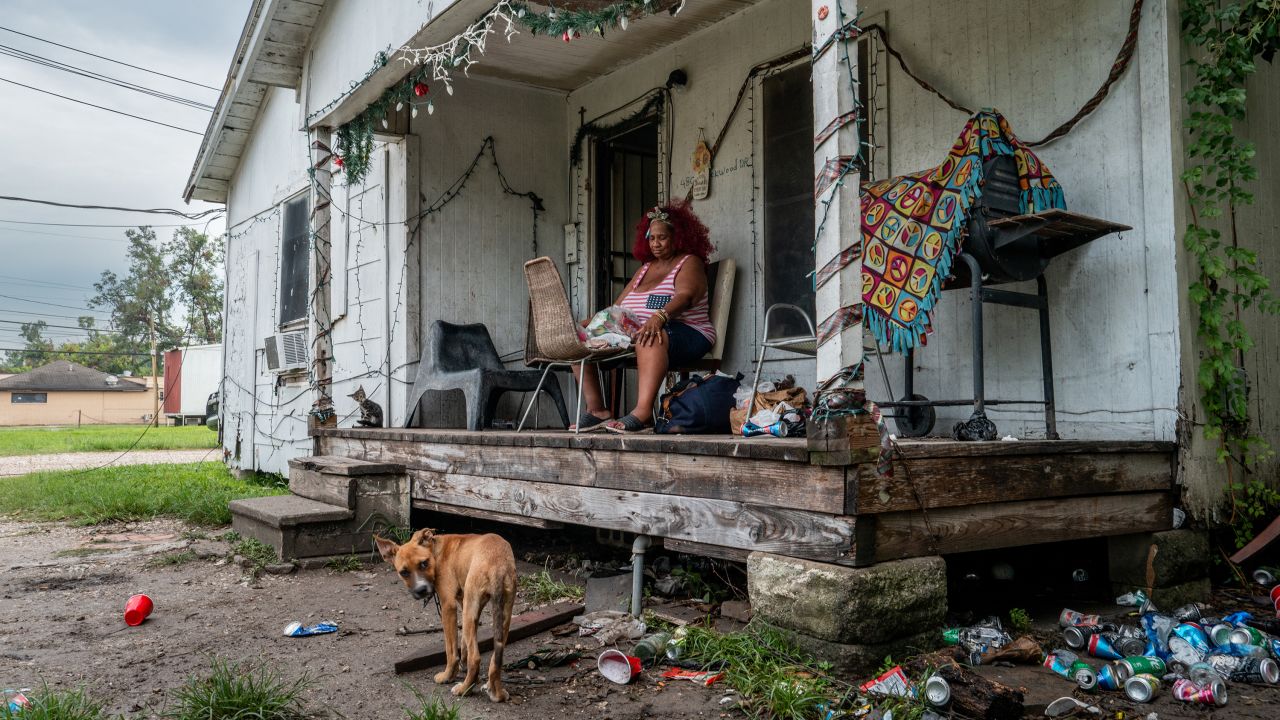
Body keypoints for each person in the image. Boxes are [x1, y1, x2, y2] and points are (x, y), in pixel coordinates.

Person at [572, 200, 717, 433]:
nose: (656, 244)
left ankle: (643, 413)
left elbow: (686, 296)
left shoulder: (689, 262)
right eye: (652, 238)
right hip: (640, 332)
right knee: (578, 337)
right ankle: (597, 409)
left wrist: (659, 317)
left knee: (650, 335)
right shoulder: (645, 269)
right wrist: (582, 325)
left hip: (687, 332)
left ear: (677, 237)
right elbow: (615, 309)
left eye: (662, 237)